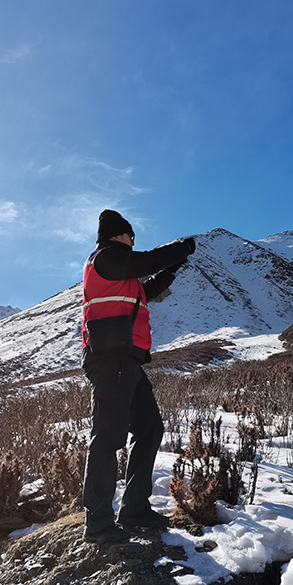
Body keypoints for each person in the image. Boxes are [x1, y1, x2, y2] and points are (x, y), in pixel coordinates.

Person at [81, 209, 195, 544]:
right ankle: (98, 523)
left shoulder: (120, 273)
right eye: (132, 236)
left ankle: (134, 509)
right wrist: (180, 249)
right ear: (121, 235)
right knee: (108, 439)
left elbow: (148, 288)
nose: (134, 242)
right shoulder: (105, 259)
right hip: (109, 359)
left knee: (150, 428)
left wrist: (172, 268)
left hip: (126, 361)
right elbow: (146, 262)